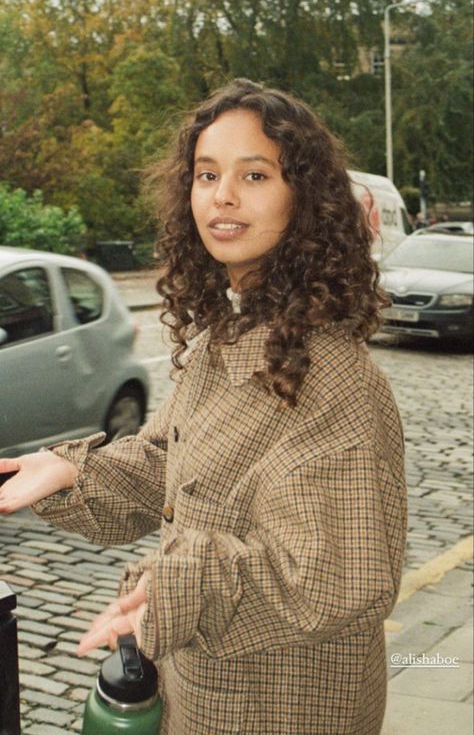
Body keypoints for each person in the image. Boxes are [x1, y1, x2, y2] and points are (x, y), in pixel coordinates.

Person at [0, 79, 407, 735]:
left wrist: (173, 590)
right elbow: (170, 461)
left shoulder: (335, 380)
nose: (222, 195)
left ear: (303, 197)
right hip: (202, 699)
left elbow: (338, 576)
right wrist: (71, 471)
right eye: (206, 173)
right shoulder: (228, 334)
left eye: (254, 174)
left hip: (280, 707)